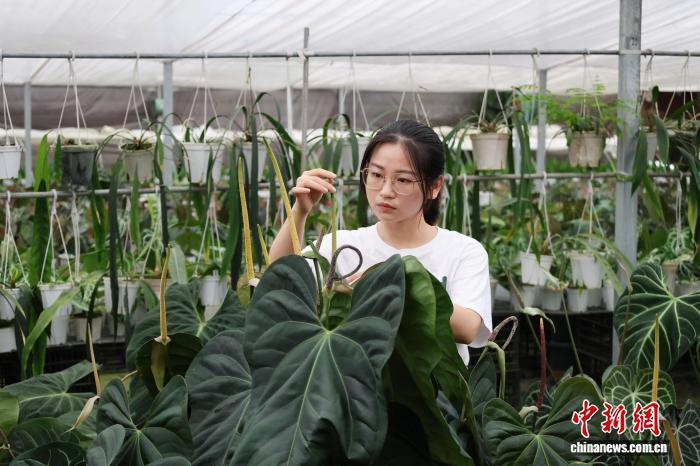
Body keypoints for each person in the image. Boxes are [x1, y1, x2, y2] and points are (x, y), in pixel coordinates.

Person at [269, 120, 492, 365]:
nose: (385, 191)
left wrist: (384, 286)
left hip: (432, 388)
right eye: (376, 175)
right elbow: (278, 281)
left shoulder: (463, 251)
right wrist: (299, 212)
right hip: (352, 385)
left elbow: (467, 327)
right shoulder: (341, 247)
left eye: (403, 180)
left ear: (434, 186)